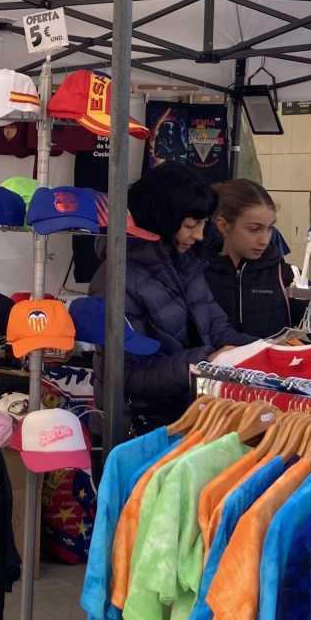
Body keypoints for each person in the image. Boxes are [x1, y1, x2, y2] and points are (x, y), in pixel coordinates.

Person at [90, 161, 252, 428]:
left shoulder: (188, 264)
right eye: (190, 225)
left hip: (188, 418)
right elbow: (126, 375)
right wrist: (204, 361)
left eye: (202, 224)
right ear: (163, 220)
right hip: (136, 429)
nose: (199, 235)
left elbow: (218, 328)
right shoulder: (117, 278)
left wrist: (268, 350)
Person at [204, 179, 297, 338]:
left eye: (270, 228)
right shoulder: (196, 275)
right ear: (223, 225)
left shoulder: (285, 276)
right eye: (255, 229)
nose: (265, 240)